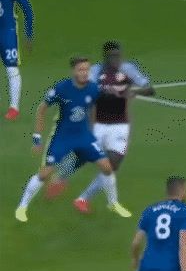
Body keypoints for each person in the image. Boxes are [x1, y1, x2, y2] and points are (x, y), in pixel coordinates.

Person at [14, 57, 128, 223]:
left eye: (87, 70)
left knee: (106, 167)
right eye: (81, 70)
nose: (84, 73)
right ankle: (22, 207)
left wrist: (93, 131)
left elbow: (94, 108)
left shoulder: (93, 89)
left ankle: (113, 203)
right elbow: (41, 110)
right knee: (45, 173)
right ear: (74, 71)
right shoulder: (62, 88)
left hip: (83, 137)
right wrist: (37, 138)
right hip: (62, 137)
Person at [46, 41, 155, 209]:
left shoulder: (128, 69)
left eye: (118, 55)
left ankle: (83, 199)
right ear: (105, 56)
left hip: (120, 125)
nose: (115, 59)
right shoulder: (95, 71)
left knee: (113, 164)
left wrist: (132, 91)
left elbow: (150, 89)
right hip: (99, 123)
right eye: (112, 56)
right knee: (82, 156)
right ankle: (59, 178)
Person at [0, 0, 34, 120]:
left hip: (7, 33)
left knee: (11, 68)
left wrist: (28, 34)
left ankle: (14, 107)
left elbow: (28, 10)